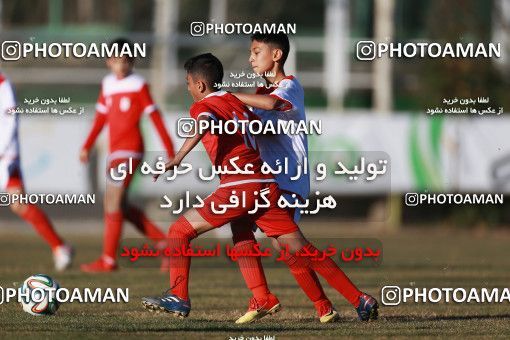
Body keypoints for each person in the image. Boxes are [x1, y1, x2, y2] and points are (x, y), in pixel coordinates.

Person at [141, 53, 378, 323]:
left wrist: (178, 157)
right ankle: (359, 298)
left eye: (188, 83)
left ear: (200, 86)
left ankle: (179, 297)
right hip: (265, 184)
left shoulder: (202, 106)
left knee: (179, 231)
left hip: (239, 185)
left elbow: (204, 122)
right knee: (286, 244)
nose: (187, 89)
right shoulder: (235, 101)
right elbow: (270, 104)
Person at [230, 33, 338, 323]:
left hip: (288, 180)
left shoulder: (289, 86)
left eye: (256, 52)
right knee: (243, 229)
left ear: (276, 55)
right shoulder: (259, 95)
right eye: (250, 53)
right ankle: (264, 297)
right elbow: (259, 128)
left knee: (288, 246)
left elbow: (272, 106)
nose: (251, 58)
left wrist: (228, 96)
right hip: (266, 182)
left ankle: (335, 303)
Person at [80, 38, 175, 272]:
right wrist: (87, 145)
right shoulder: (108, 84)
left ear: (132, 61)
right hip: (115, 152)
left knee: (111, 201)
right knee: (118, 203)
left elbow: (155, 117)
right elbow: (101, 118)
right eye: (116, 61)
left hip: (131, 150)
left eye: (125, 61)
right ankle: (167, 246)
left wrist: (170, 149)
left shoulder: (138, 85)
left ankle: (108, 260)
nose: (121, 66)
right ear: (108, 62)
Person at [0, 71, 73, 271]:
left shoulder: (3, 84)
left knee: (18, 203)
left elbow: (10, 119)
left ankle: (60, 247)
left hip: (5, 154)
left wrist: (3, 148)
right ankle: (61, 246)